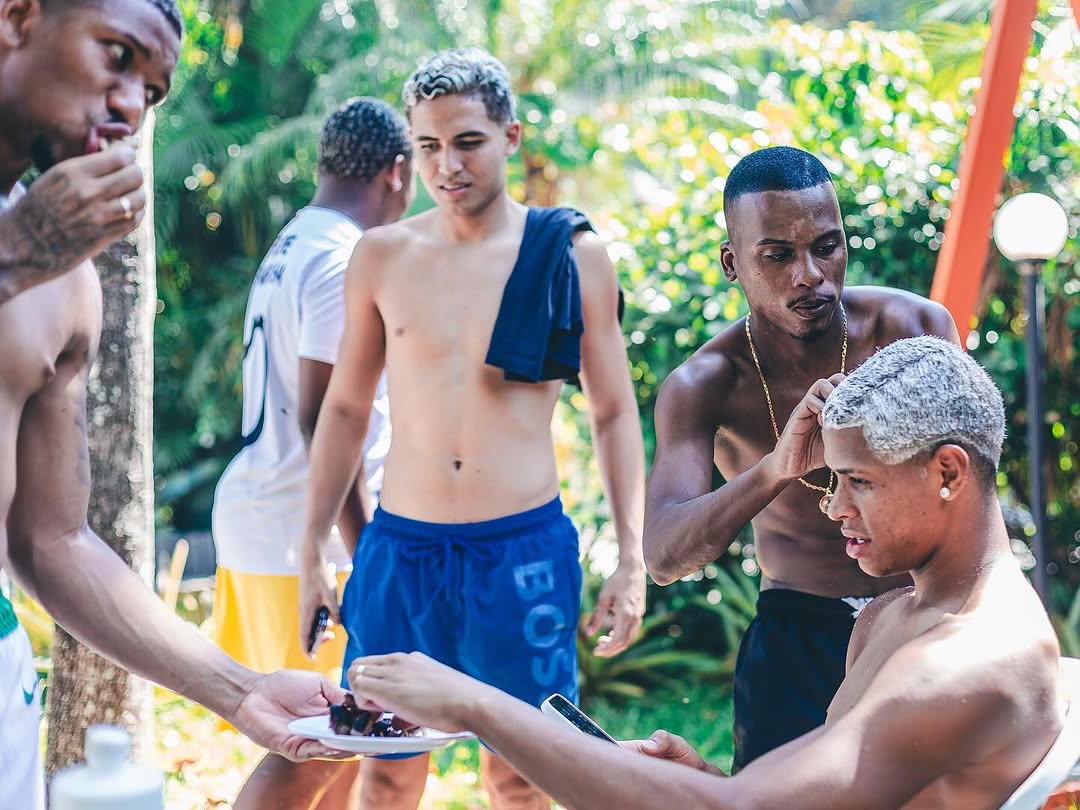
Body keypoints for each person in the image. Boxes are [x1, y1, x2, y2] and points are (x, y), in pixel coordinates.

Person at [344, 336, 1067, 809]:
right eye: (833, 478)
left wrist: (476, 705)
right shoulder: (889, 618)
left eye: (859, 481)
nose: (834, 506)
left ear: (948, 473)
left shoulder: (968, 663)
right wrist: (703, 781)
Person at [0, 2, 347, 807]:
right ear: (17, 17)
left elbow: (53, 540)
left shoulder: (65, 276)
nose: (130, 105)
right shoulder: (38, 249)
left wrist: (241, 689)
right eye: (116, 56)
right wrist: (17, 255)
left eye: (152, 93)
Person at [299, 48, 647, 809]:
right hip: (402, 550)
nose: (447, 166)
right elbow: (345, 410)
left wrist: (632, 559)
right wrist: (313, 549)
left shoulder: (570, 256)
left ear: (510, 137)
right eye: (427, 146)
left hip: (521, 550)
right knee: (387, 765)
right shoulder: (381, 255)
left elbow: (613, 410)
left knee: (524, 773)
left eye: (467, 143)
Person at [642, 145, 960, 769]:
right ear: (732, 263)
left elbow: (970, 492)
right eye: (778, 255)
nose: (810, 274)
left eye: (827, 246)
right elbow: (664, 556)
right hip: (797, 632)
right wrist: (775, 469)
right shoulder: (705, 383)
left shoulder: (913, 329)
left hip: (919, 609)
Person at [211, 97, 413, 810]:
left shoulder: (294, 245)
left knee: (330, 749)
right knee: (326, 746)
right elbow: (328, 419)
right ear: (397, 172)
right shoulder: (340, 256)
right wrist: (364, 556)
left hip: (267, 516)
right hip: (308, 536)